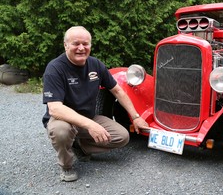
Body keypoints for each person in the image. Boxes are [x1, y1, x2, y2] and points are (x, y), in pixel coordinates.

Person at [42, 26, 149, 182]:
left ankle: (79, 146)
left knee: (122, 137)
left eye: (85, 44)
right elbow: (55, 108)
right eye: (75, 43)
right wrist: (91, 126)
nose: (81, 48)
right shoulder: (55, 68)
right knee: (61, 132)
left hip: (88, 116)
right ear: (66, 45)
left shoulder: (96, 65)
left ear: (90, 46)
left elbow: (118, 91)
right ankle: (66, 166)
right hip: (63, 120)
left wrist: (136, 116)